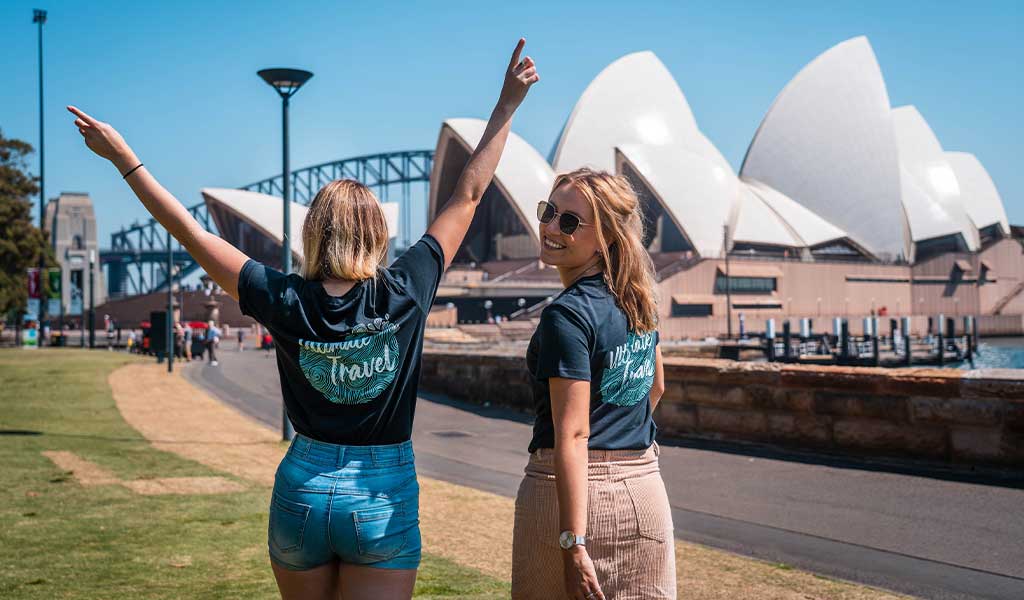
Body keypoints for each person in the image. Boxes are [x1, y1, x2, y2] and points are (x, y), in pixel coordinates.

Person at [68, 38, 537, 600]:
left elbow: (191, 234)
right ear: (378, 235)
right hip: (381, 489)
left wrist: (125, 158)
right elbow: (469, 194)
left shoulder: (282, 297)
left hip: (303, 487)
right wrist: (508, 103)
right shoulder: (407, 287)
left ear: (314, 231)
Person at [511, 169, 674, 599]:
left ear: (605, 238)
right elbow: (655, 387)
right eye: (549, 212)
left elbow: (575, 432)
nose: (550, 228)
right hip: (644, 486)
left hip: (567, 496)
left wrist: (573, 542)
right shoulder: (638, 300)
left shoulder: (567, 314)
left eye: (569, 222)